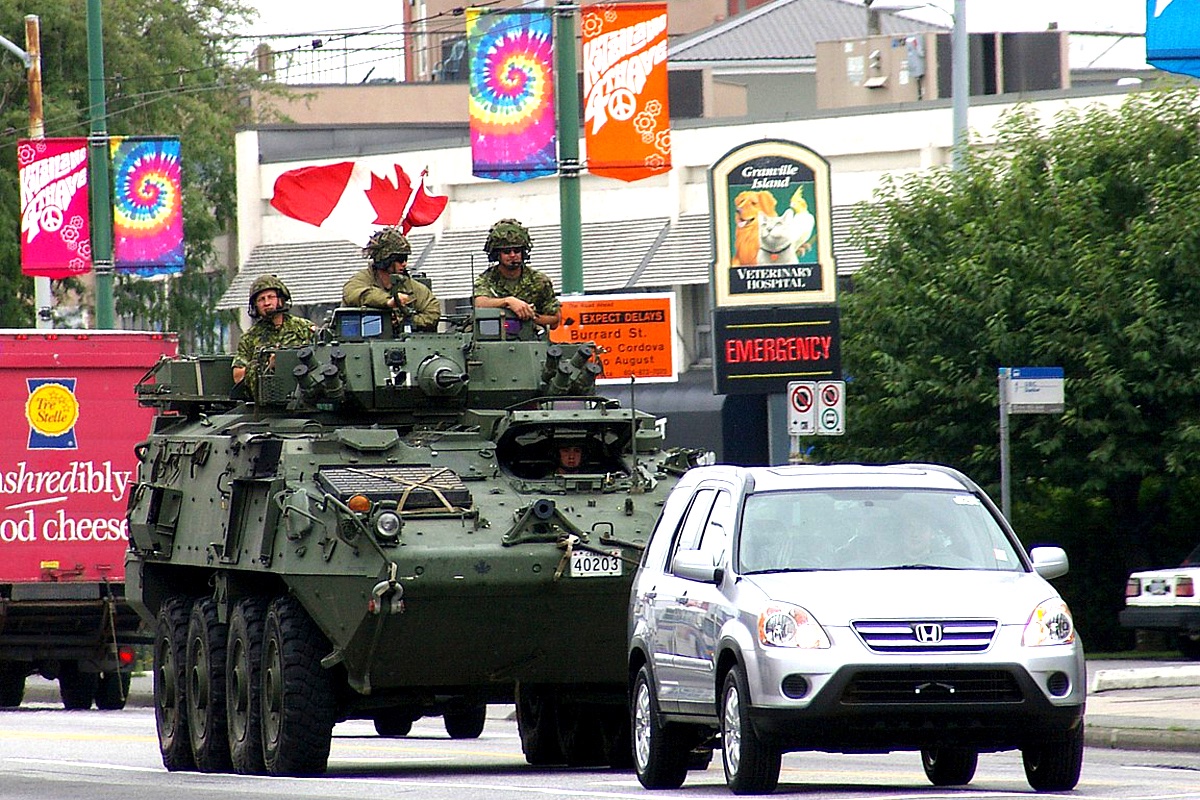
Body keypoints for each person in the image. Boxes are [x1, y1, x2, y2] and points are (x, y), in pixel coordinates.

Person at [344, 226, 441, 332]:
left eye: (405, 258)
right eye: (400, 259)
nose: (404, 263)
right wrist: (388, 301)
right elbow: (352, 293)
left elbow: (432, 312)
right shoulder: (363, 279)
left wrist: (405, 321)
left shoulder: (412, 287)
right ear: (386, 259)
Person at [232, 275, 315, 396]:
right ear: (255, 305)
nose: (266, 303)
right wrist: (266, 366)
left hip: (304, 398)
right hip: (266, 402)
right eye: (261, 299)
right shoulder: (249, 338)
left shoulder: (304, 329)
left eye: (270, 297)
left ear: (280, 300)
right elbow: (238, 376)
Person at [473, 219, 561, 330]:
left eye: (517, 250)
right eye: (506, 251)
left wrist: (529, 315)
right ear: (497, 254)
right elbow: (480, 303)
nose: (513, 255)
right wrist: (508, 301)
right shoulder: (487, 279)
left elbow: (555, 319)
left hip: (530, 340)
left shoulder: (539, 281)